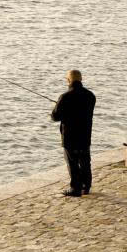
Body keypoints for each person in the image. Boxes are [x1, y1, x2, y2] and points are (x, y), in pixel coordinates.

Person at [51, 69, 96, 197]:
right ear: (81, 79)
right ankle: (86, 186)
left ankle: (75, 188)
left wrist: (58, 106)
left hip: (70, 136)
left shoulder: (65, 97)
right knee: (85, 161)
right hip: (85, 134)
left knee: (72, 163)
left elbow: (55, 116)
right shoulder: (90, 96)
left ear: (68, 80)